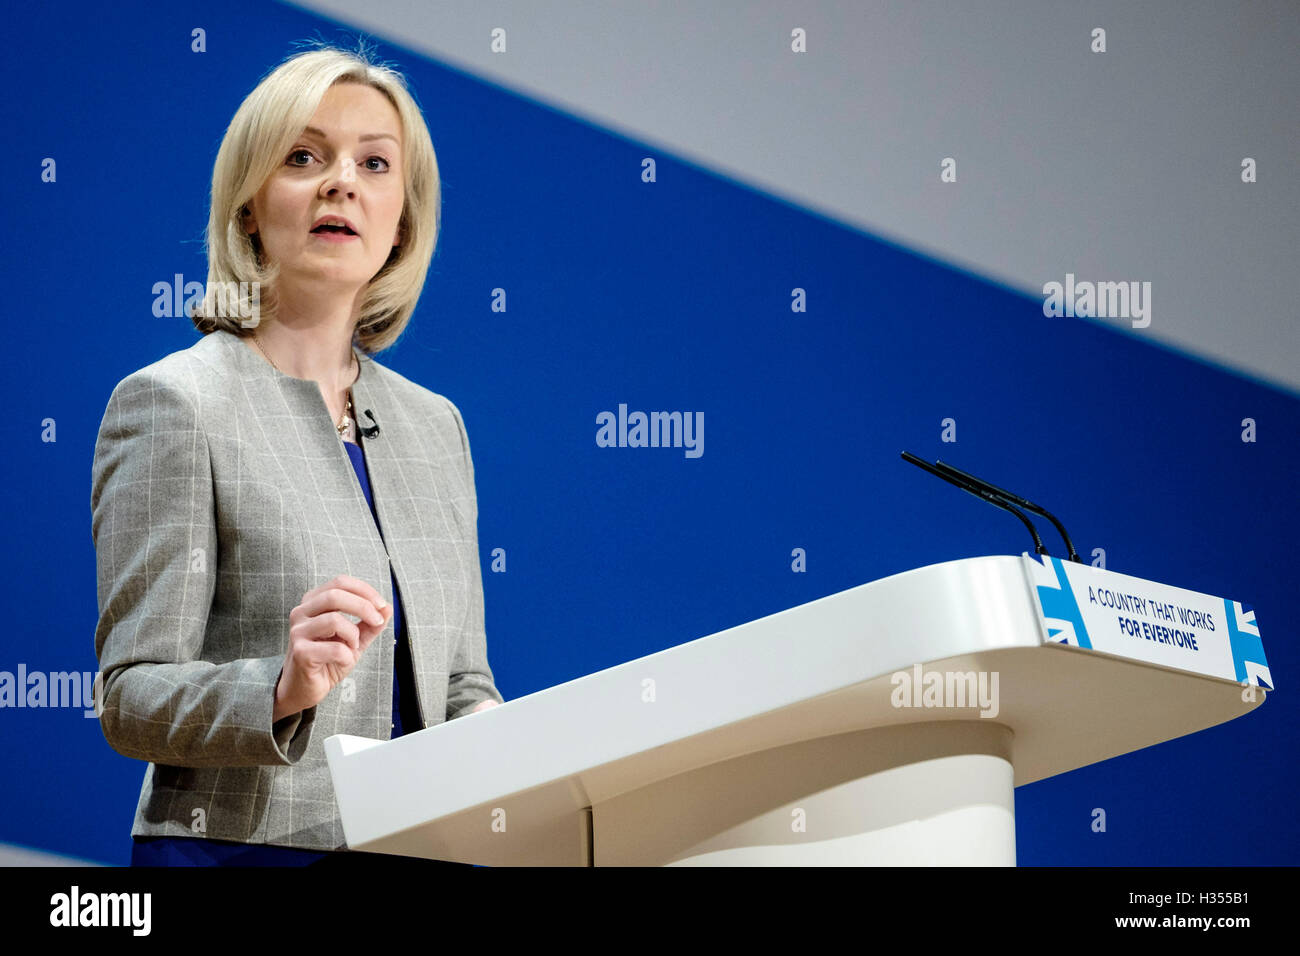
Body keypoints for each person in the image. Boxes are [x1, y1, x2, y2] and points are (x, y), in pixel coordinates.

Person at [90, 43, 504, 867]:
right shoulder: (177, 404)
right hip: (242, 852)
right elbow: (129, 697)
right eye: (304, 157)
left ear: (402, 222)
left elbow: (461, 685)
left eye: (374, 163)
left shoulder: (436, 426)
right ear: (249, 207)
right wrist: (281, 688)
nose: (341, 181)